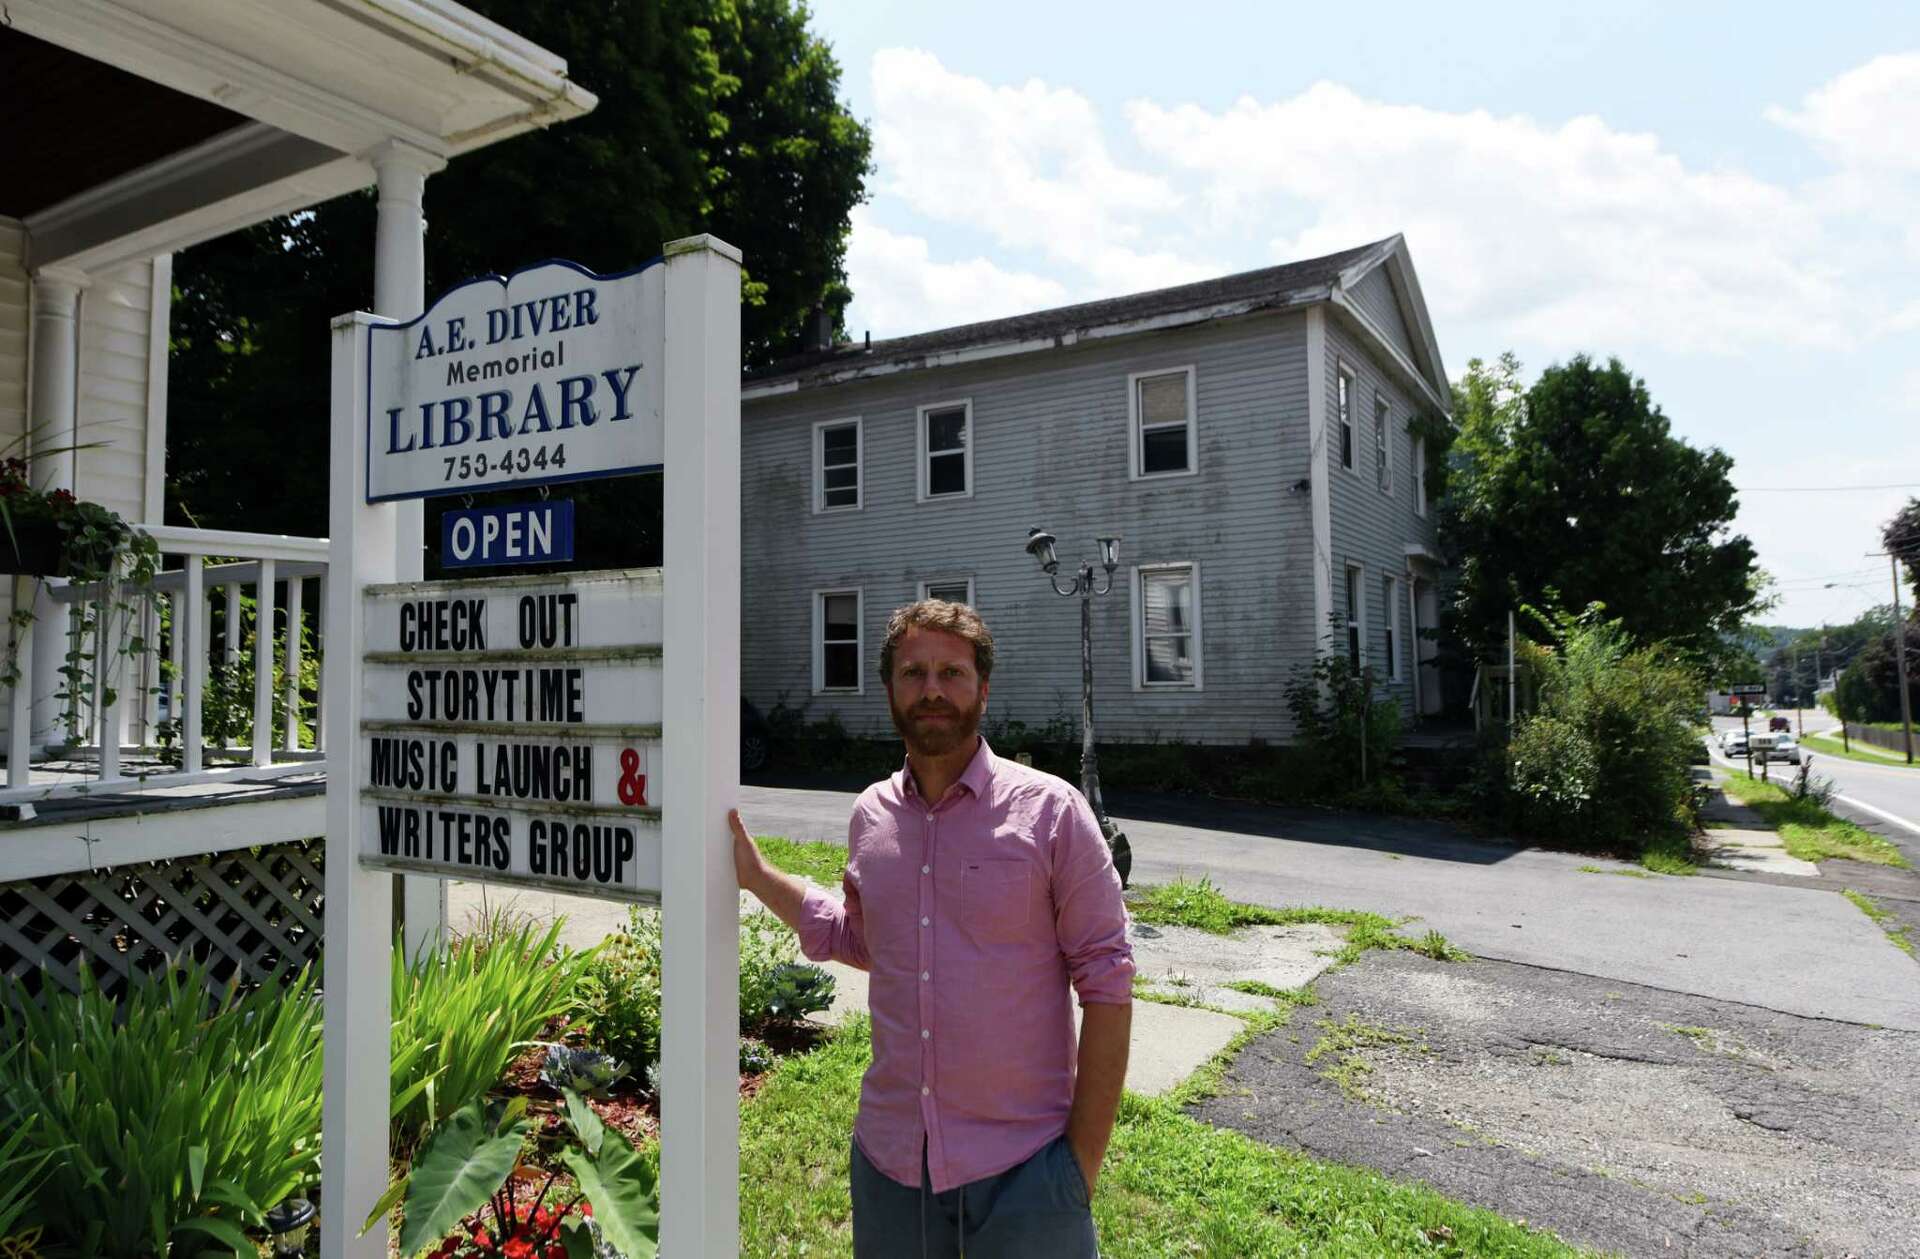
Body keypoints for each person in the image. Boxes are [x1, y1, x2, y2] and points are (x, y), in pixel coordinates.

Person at [730, 599, 1134, 1257]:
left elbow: (1109, 983)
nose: (932, 689)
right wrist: (755, 874)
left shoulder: (1052, 812)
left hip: (1027, 1172)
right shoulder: (872, 816)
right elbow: (865, 939)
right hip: (891, 1168)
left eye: (952, 672)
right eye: (914, 672)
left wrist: (1077, 1167)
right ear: (889, 687)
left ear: (983, 687)